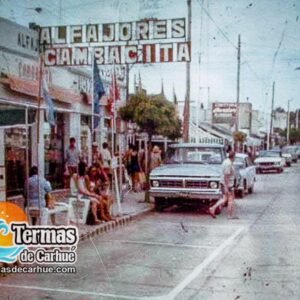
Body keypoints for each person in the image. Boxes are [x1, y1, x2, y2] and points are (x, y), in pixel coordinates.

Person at [208, 151, 237, 219]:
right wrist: (226, 187)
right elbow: (226, 176)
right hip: (228, 184)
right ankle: (230, 215)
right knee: (230, 199)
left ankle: (213, 208)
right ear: (233, 157)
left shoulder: (226, 161)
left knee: (225, 199)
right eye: (235, 157)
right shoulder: (229, 164)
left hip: (225, 183)